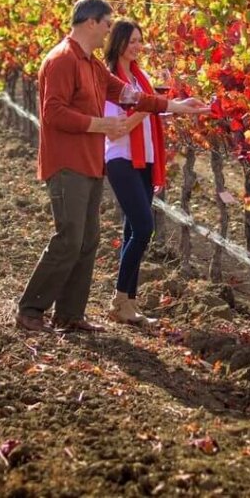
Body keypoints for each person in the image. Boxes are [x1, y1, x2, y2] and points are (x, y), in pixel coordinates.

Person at [16, 0, 208, 333]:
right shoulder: (61, 60)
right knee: (69, 238)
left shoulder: (92, 65)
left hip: (91, 164)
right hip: (67, 163)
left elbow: (132, 96)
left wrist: (178, 106)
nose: (109, 32)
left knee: (88, 240)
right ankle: (31, 309)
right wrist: (99, 125)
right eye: (107, 24)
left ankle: (71, 314)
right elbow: (52, 112)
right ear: (91, 22)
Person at [102, 18, 166, 325]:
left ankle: (128, 302)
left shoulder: (141, 78)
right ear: (118, 43)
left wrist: (158, 102)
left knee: (133, 230)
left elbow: (152, 108)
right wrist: (149, 107)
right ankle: (119, 299)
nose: (137, 46)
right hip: (121, 158)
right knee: (143, 229)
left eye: (140, 40)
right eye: (131, 41)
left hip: (145, 159)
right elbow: (119, 128)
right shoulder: (109, 78)